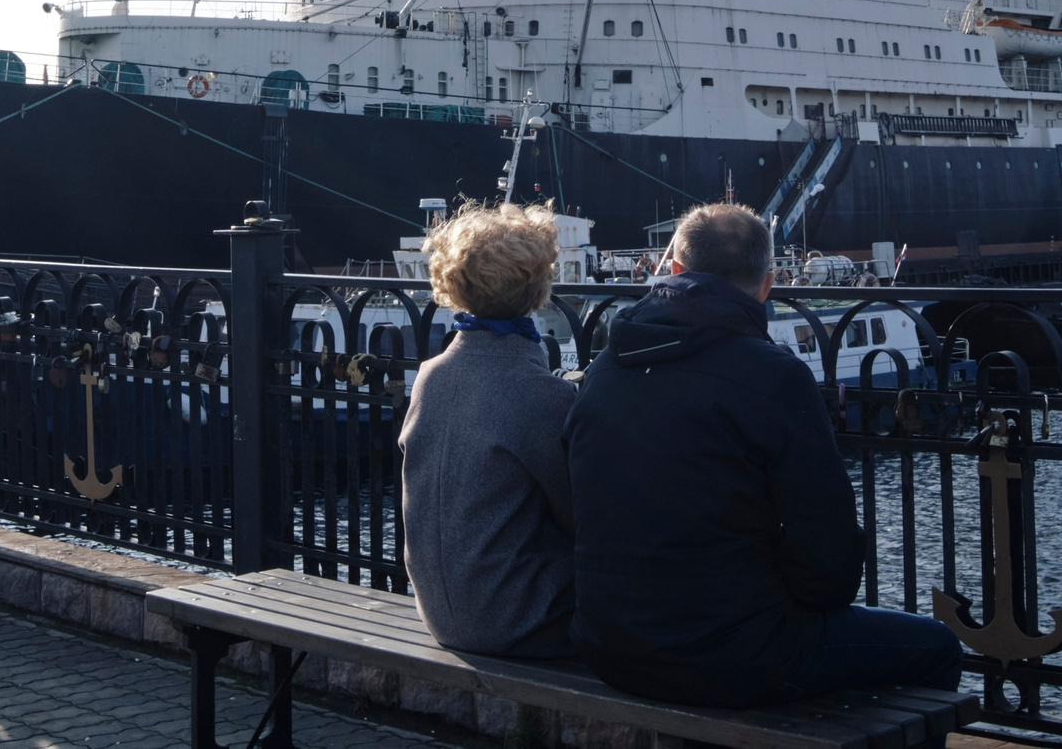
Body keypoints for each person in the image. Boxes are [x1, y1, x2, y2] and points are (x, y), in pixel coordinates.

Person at [565, 202, 961, 708]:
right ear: (768, 285)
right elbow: (830, 558)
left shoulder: (606, 367)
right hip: (731, 656)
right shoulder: (775, 377)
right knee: (939, 648)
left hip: (609, 646)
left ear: (676, 271)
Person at [397, 200, 578, 657]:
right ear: (538, 289)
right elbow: (578, 515)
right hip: (515, 619)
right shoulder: (543, 395)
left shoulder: (430, 376)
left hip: (440, 612)